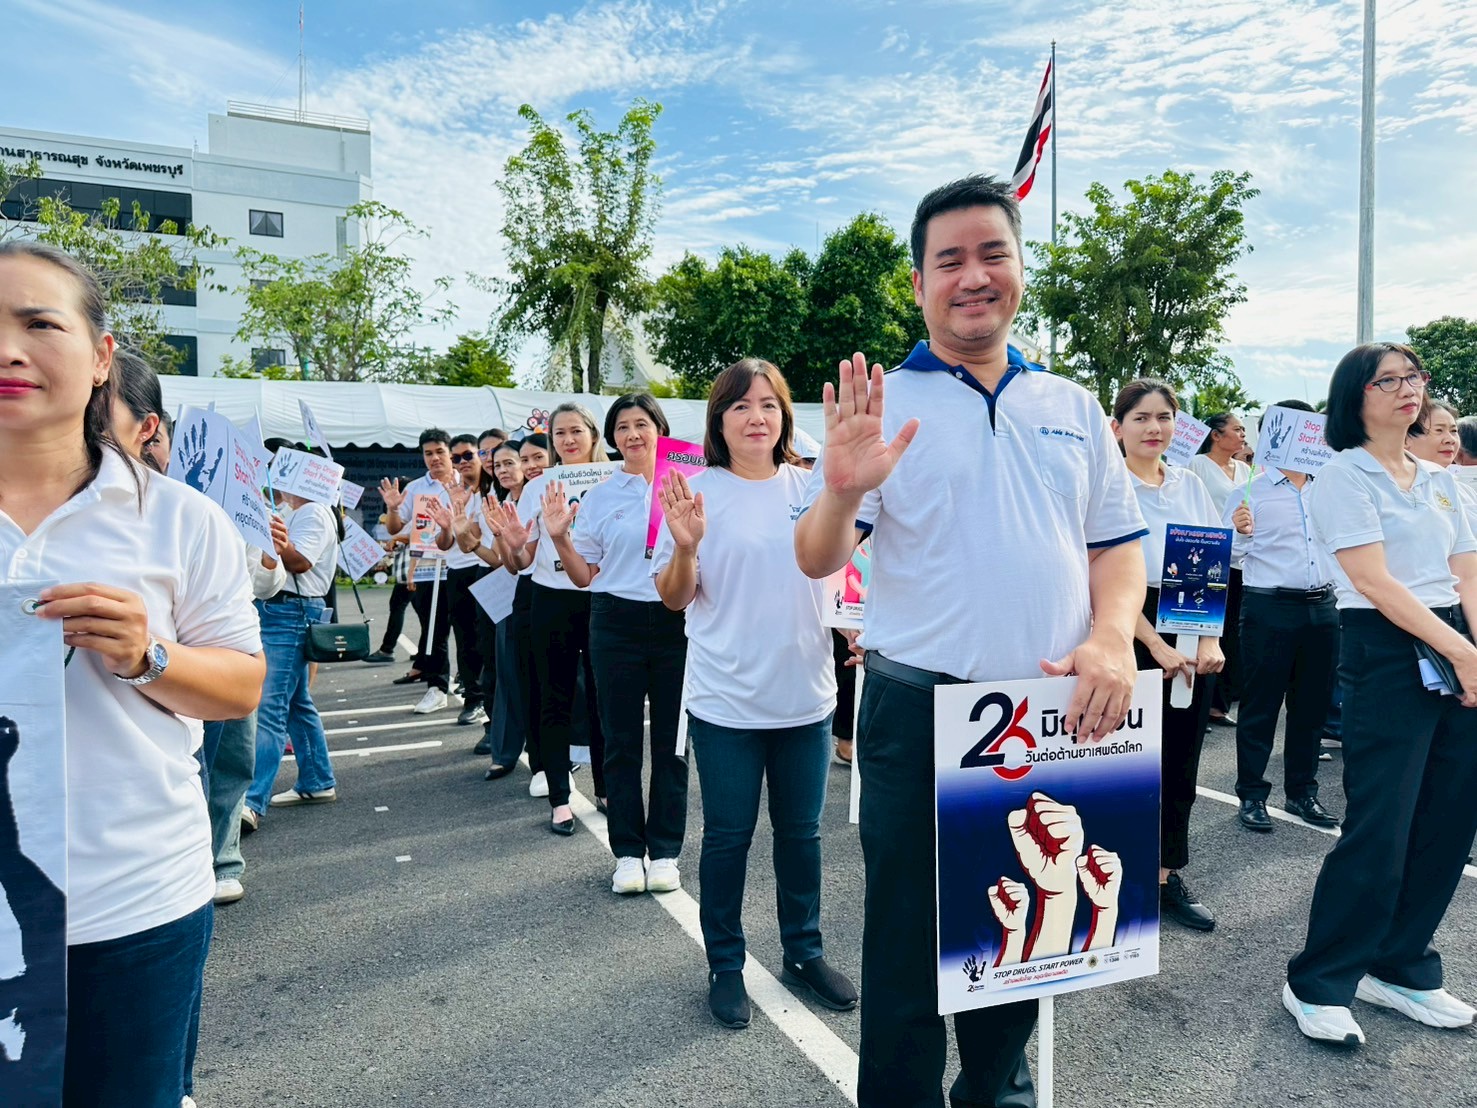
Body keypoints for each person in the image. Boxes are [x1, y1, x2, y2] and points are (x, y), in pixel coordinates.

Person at [794, 175, 1147, 1108]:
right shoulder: (883, 403)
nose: (973, 276)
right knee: (908, 954)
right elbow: (816, 557)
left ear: (1020, 266)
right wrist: (839, 488)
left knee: (1028, 936)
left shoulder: (1071, 405)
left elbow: (1115, 547)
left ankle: (995, 1093)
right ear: (919, 284)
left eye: (993, 253)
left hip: (1054, 712)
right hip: (921, 709)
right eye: (948, 260)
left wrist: (1112, 636)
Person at [0, 240, 265, 1103]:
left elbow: (241, 686)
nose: (7, 350)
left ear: (100, 357)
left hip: (131, 901)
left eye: (38, 324)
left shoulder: (179, 520)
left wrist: (148, 655)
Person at [1284, 343, 1477, 1044]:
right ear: (1353, 398)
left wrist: (1473, 650)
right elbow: (1373, 580)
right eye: (1386, 380)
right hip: (1386, 646)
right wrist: (1459, 652)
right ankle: (1318, 980)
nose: (1406, 388)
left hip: (1454, 638)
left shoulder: (1439, 479)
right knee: (1381, 823)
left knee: (1450, 816)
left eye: (1412, 376)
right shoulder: (1343, 476)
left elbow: (1466, 574)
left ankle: (1399, 965)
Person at [657, 358, 856, 1030]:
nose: (755, 417)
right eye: (740, 405)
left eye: (769, 404)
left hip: (806, 697)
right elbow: (674, 598)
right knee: (727, 838)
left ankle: (804, 952)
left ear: (785, 417)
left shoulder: (814, 485)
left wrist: (859, 625)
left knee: (801, 835)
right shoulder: (691, 492)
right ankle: (725, 965)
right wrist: (686, 548)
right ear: (718, 420)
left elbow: (844, 578)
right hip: (725, 704)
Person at [544, 394, 690, 895]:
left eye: (642, 424)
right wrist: (560, 539)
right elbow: (583, 575)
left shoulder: (687, 484)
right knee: (620, 742)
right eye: (622, 427)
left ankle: (665, 851)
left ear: (659, 429)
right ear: (612, 438)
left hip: (675, 619)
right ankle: (628, 853)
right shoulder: (602, 495)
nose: (633, 434)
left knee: (672, 743)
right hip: (614, 621)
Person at [1113, 380, 1225, 932]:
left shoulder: (1189, 484)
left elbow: (1211, 562)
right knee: (1123, 760)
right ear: (1118, 428)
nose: (1154, 428)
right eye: (1141, 417)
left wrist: (1208, 639)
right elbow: (1099, 575)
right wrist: (1152, 644)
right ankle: (1114, 876)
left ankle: (1163, 875)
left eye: (1164, 417)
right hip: (1124, 623)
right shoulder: (1107, 485)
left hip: (1189, 616)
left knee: (1180, 759)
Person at [489, 405, 609, 834]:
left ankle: (606, 788)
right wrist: (513, 543)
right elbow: (521, 562)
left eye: (576, 431)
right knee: (553, 697)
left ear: (593, 434)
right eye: (560, 433)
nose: (568, 440)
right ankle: (559, 796)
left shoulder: (614, 480)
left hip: (603, 599)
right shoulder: (539, 486)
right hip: (551, 600)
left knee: (603, 698)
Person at [1225, 399, 1340, 833]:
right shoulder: (1250, 491)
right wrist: (1239, 532)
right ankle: (1252, 794)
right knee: (1261, 704)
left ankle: (1302, 792)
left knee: (1311, 706)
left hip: (1323, 607)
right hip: (1268, 607)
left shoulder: (1327, 487)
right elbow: (1229, 558)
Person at [243, 480, 340, 825]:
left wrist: (277, 543)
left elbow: (301, 562)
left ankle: (251, 800)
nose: (277, 479)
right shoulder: (297, 511)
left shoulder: (313, 511)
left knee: (270, 706)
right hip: (286, 609)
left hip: (290, 610)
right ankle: (317, 780)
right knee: (296, 702)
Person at [380, 430, 459, 713]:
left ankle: (474, 691)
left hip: (462, 565)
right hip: (428, 569)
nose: (435, 458)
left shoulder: (464, 482)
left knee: (469, 632)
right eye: (428, 453)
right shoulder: (415, 488)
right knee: (434, 631)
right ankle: (437, 687)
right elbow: (395, 528)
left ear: (450, 453)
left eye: (440, 451)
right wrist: (392, 509)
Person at [1190, 413, 1251, 726]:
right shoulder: (1197, 465)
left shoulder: (1245, 470)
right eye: (1237, 429)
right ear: (1216, 434)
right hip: (1208, 558)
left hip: (1239, 559)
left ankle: (1220, 704)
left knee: (1232, 635)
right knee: (1209, 627)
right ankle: (1202, 702)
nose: (1242, 435)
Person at [433, 433, 492, 729]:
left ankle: (490, 704)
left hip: (487, 568)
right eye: (456, 458)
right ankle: (473, 698)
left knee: (487, 641)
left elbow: (473, 540)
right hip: (457, 571)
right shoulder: (452, 492)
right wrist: (448, 527)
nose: (463, 462)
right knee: (465, 639)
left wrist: (462, 522)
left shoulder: (490, 490)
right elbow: (444, 543)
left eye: (468, 455)